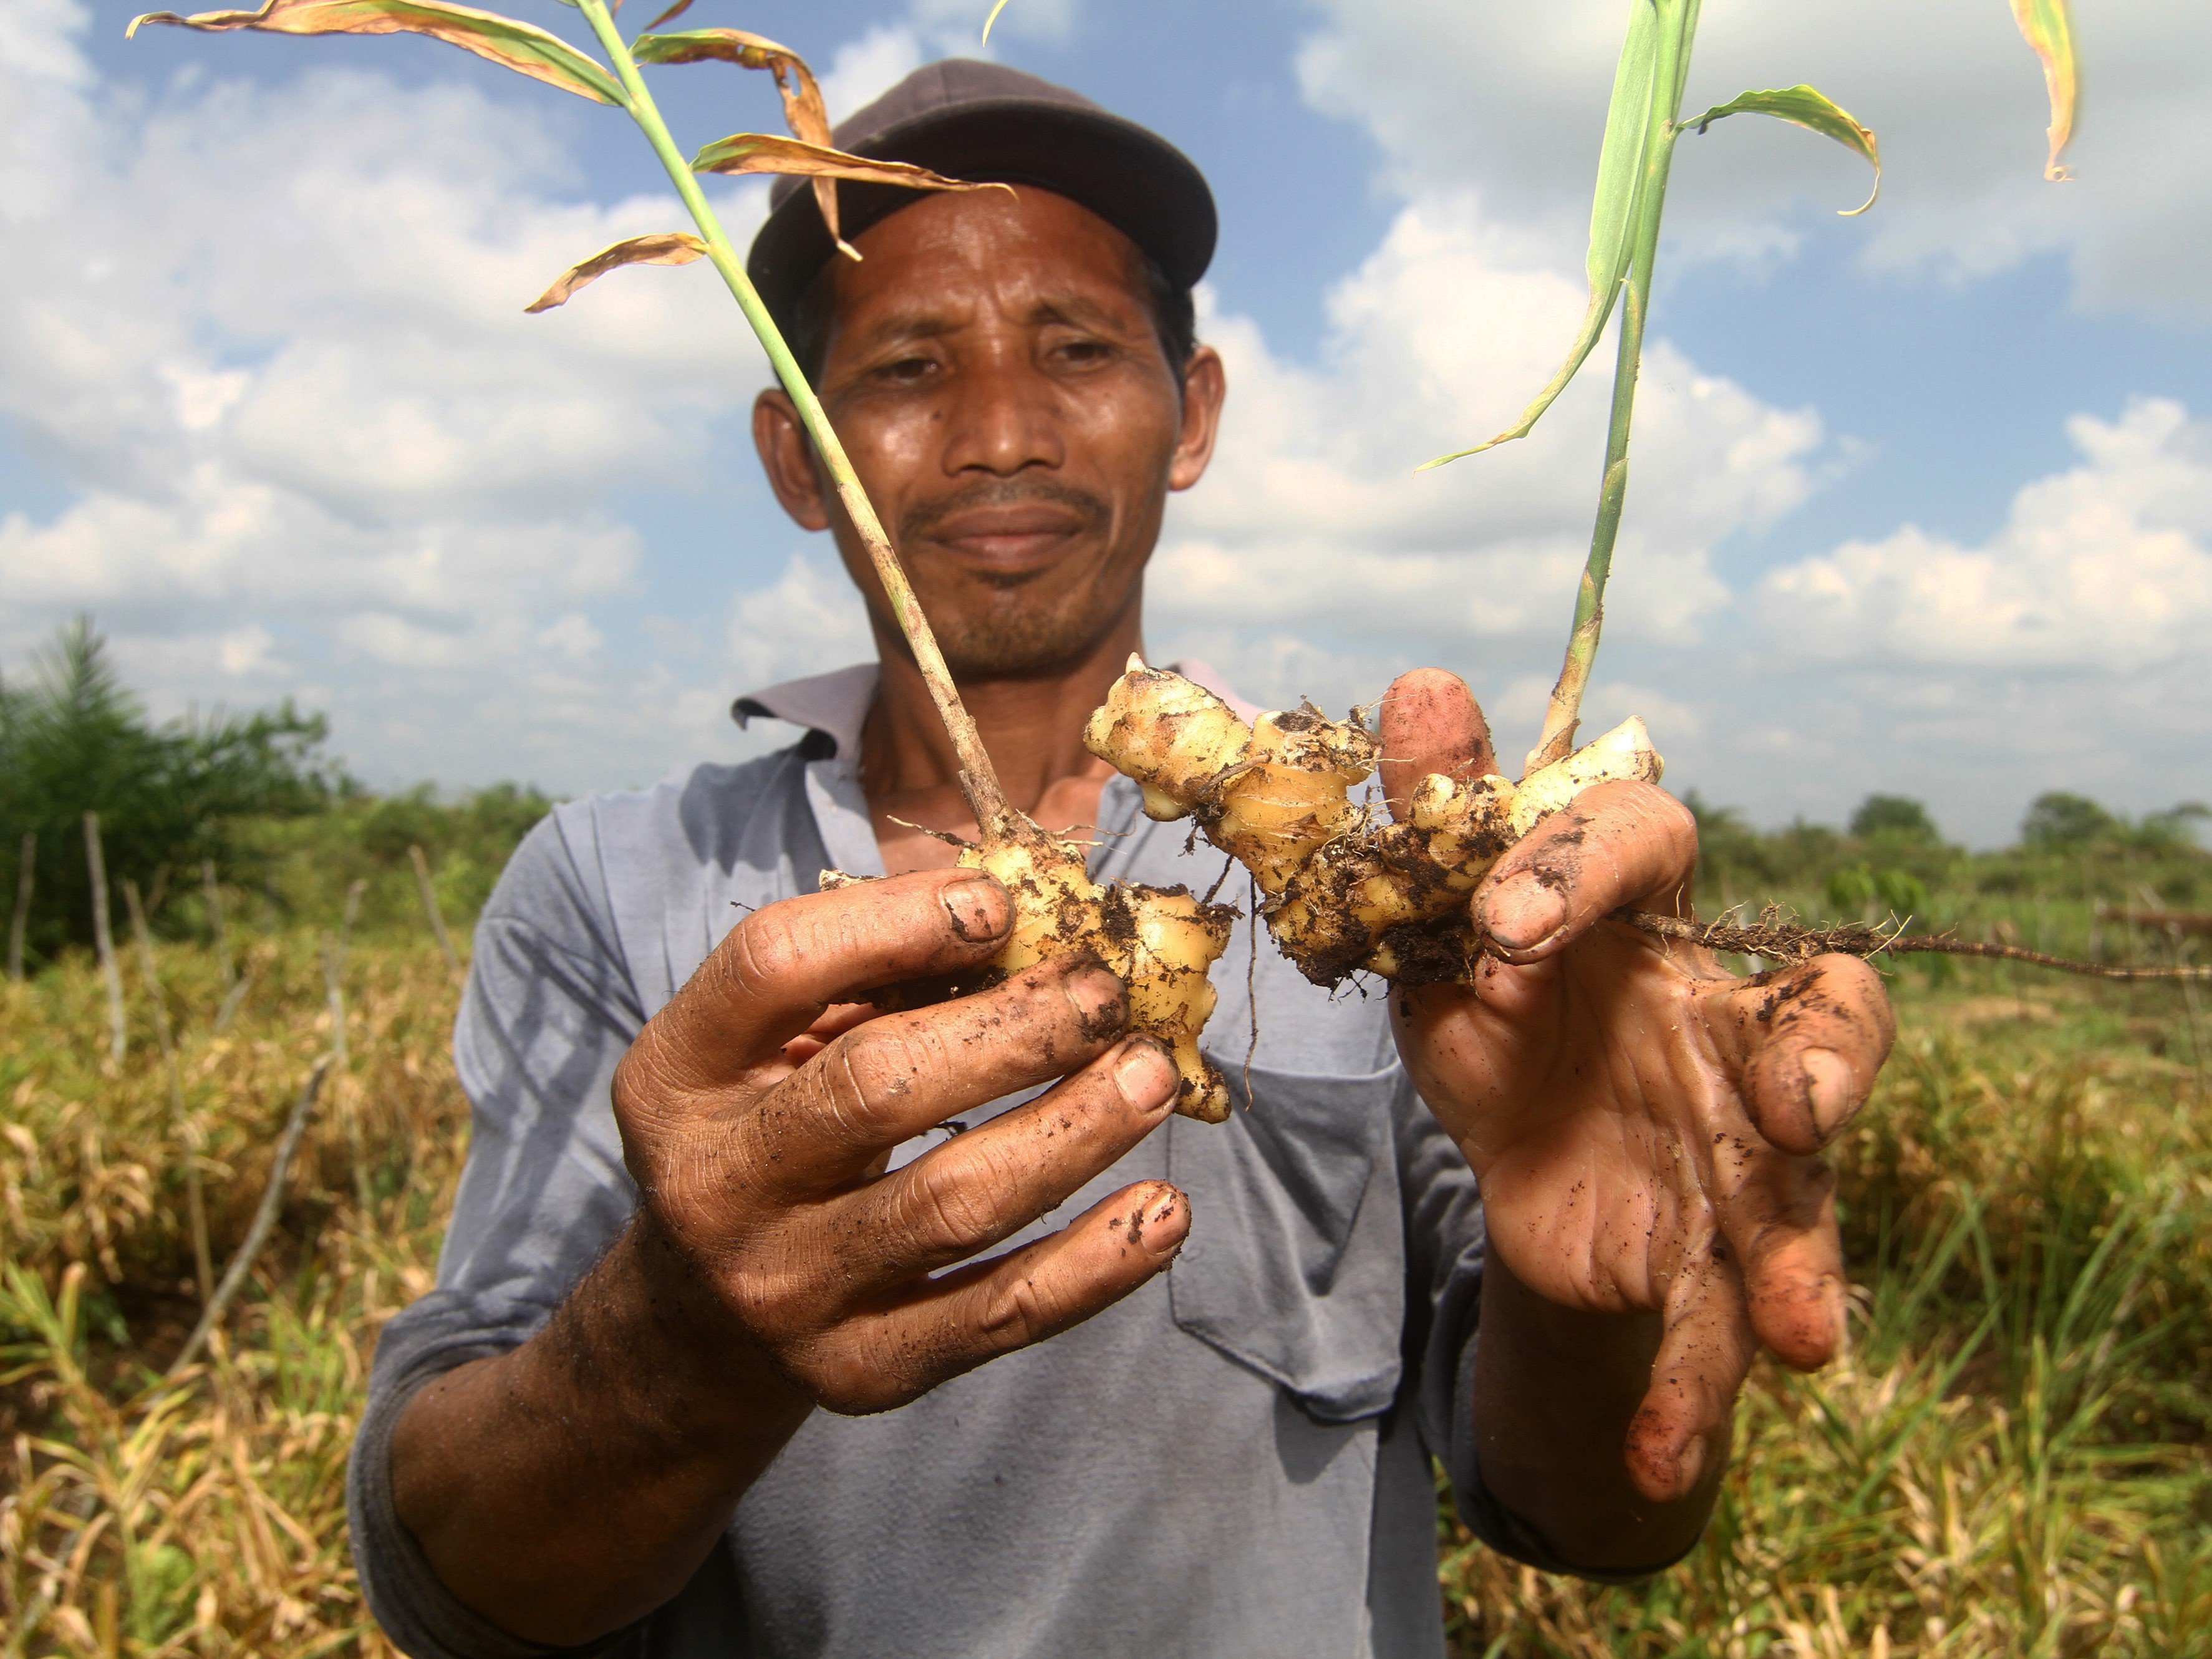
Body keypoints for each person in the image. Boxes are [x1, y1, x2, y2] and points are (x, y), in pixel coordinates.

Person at [347, 59, 1895, 1659]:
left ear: (1192, 412)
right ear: (799, 455)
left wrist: (1581, 1296)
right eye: (907, 366)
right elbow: (448, 1576)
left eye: (1077, 349)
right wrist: (683, 1340)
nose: (1001, 435)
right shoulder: (615, 882)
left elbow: (1594, 1513)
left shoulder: (1385, 898)